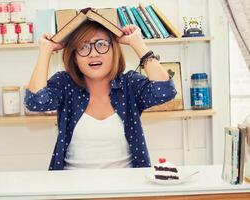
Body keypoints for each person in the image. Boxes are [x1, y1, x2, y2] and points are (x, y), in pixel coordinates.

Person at [25, 20, 177, 170]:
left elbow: (165, 91)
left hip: (126, 187)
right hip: (73, 188)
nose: (93, 54)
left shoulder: (129, 84)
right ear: (75, 58)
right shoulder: (65, 83)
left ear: (114, 51)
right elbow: (36, 102)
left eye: (101, 44)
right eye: (83, 47)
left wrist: (137, 43)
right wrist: (46, 49)